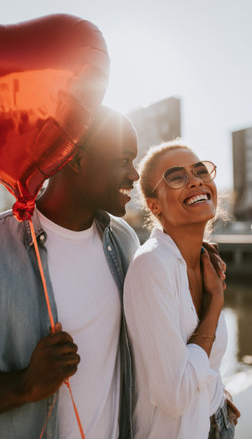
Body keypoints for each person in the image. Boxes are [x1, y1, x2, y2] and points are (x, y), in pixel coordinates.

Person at [0, 106, 140, 439]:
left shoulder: (124, 240)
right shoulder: (4, 247)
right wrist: (25, 385)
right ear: (76, 159)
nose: (134, 174)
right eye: (123, 159)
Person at [124, 140, 240, 439]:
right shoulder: (151, 266)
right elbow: (174, 397)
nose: (196, 181)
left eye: (200, 171)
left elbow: (201, 361)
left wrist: (217, 393)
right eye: (177, 176)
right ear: (154, 204)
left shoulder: (204, 263)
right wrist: (214, 304)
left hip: (218, 421)